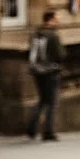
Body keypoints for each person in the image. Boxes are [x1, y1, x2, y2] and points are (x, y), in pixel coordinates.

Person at [25, 9, 65, 141]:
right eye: (57, 18)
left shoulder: (36, 34)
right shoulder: (53, 35)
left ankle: (31, 128)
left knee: (42, 99)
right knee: (52, 102)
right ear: (51, 20)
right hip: (50, 71)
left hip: (37, 71)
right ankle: (48, 132)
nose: (59, 21)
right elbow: (60, 55)